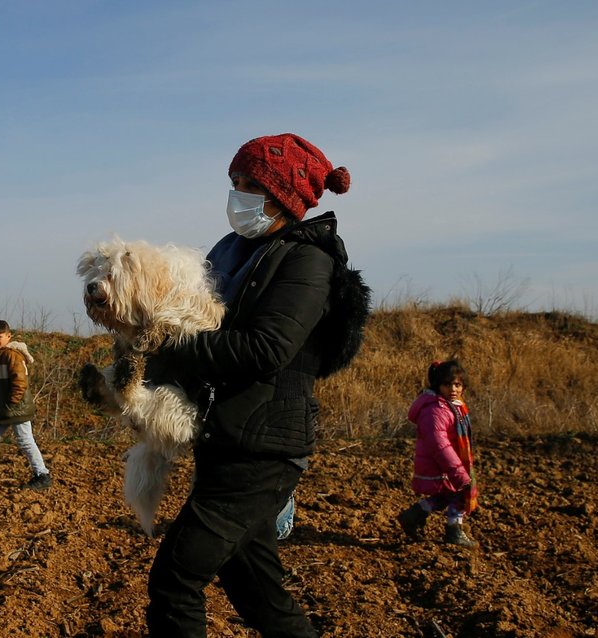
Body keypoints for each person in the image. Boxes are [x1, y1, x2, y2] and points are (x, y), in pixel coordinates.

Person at [143, 133, 365, 637]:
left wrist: (167, 343)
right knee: (256, 590)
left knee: (175, 581)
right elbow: (193, 318)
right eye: (234, 182)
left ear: (282, 195)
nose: (236, 194)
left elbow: (265, 350)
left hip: (261, 448)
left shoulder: (307, 261)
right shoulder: (234, 252)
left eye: (249, 184)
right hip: (227, 438)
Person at [397, 359, 478, 547]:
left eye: (457, 384)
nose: (453, 389)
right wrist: (458, 473)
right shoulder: (436, 410)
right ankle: (454, 532)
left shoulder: (452, 406)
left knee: (443, 497)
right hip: (440, 464)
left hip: (445, 463)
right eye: (447, 384)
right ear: (438, 385)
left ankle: (414, 515)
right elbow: (439, 445)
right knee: (458, 496)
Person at [0, 320, 52, 491]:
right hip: (8, 409)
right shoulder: (5, 354)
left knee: (25, 440)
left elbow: (20, 383)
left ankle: (42, 475)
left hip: (15, 409)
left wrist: (11, 404)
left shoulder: (11, 355)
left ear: (8, 336)